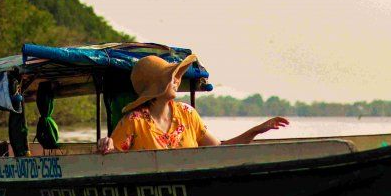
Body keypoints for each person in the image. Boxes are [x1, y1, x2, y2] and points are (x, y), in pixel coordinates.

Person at [96, 54, 288, 154]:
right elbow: (110, 160)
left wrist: (256, 130)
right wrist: (106, 145)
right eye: (171, 78)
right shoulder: (133, 122)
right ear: (155, 88)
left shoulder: (187, 114)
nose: (177, 81)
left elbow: (220, 149)